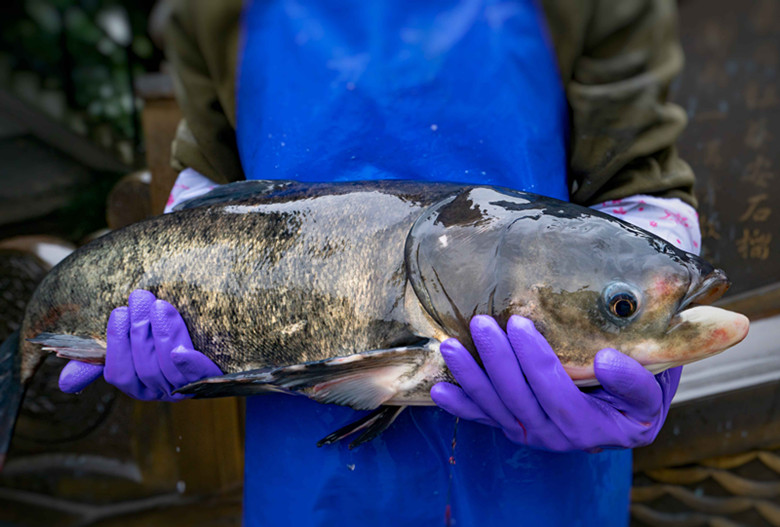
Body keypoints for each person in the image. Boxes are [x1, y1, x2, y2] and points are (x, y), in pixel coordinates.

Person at [60, 0, 702, 524]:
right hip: (313, 471)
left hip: (545, 466)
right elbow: (212, 177)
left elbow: (641, 179)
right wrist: (168, 304)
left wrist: (630, 320)